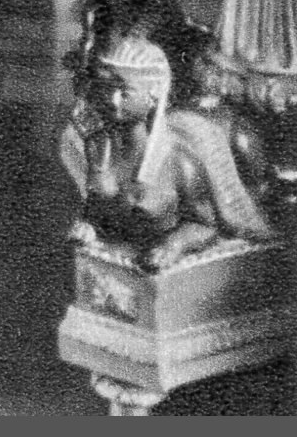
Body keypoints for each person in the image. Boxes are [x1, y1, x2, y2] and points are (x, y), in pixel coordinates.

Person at [60, 31, 275, 271]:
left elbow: (206, 225)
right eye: (106, 88)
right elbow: (100, 213)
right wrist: (87, 228)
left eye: (124, 91)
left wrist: (174, 244)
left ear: (154, 93)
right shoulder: (98, 146)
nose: (112, 100)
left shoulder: (179, 160)